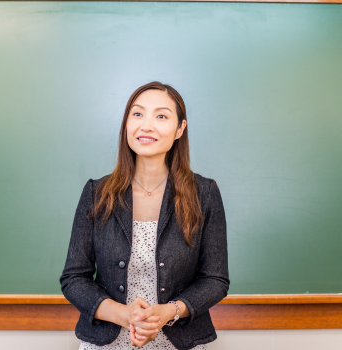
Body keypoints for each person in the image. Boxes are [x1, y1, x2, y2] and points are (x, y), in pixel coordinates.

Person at [60, 81, 229, 350]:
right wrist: (123, 314)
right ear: (127, 124)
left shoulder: (204, 194)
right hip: (107, 344)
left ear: (179, 129)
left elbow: (215, 280)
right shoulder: (97, 193)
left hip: (178, 342)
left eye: (161, 116)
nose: (146, 125)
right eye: (137, 114)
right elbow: (73, 278)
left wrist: (168, 312)